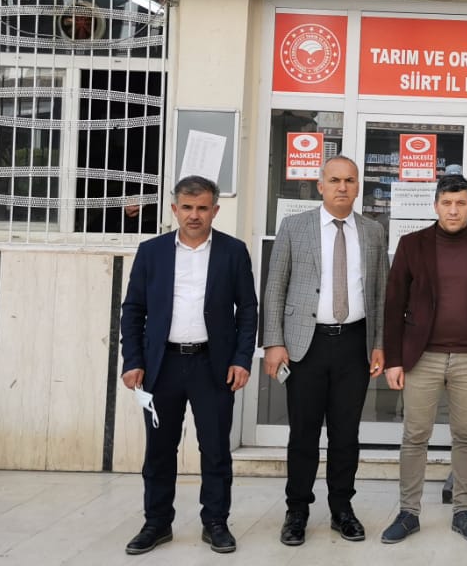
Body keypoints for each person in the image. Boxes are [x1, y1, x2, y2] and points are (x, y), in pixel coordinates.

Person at [119, 175, 258, 555]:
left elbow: (247, 310)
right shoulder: (152, 252)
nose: (194, 215)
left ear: (215, 210)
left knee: (215, 449)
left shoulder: (233, 251)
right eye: (187, 207)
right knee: (159, 450)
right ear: (174, 209)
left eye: (202, 208)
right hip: (161, 365)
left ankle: (215, 522)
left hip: (212, 365)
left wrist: (241, 359)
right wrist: (133, 361)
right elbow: (133, 310)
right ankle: (156, 522)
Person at [260, 155, 390, 546]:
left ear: (358, 186)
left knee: (346, 434)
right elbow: (275, 286)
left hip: (354, 343)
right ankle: (297, 510)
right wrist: (273, 342)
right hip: (306, 344)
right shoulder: (294, 227)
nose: (342, 187)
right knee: (303, 433)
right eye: (334, 180)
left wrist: (380, 344)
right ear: (320, 185)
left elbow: (381, 293)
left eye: (349, 180)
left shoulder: (373, 231)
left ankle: (342, 509)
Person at [379, 175, 467, 544]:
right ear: (435, 206)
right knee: (415, 435)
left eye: (460, 203)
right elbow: (394, 304)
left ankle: (463, 511)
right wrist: (394, 360)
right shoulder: (412, 244)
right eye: (446, 203)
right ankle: (408, 513)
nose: (453, 210)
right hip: (423, 357)